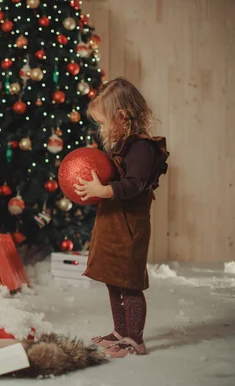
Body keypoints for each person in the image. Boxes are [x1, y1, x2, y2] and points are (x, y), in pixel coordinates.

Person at [73, 77, 169, 358]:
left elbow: (134, 183)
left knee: (128, 281)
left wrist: (104, 189)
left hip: (129, 224)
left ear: (122, 117)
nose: (101, 128)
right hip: (112, 221)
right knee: (112, 278)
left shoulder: (141, 147)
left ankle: (135, 338)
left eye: (103, 122)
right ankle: (119, 331)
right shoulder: (120, 145)